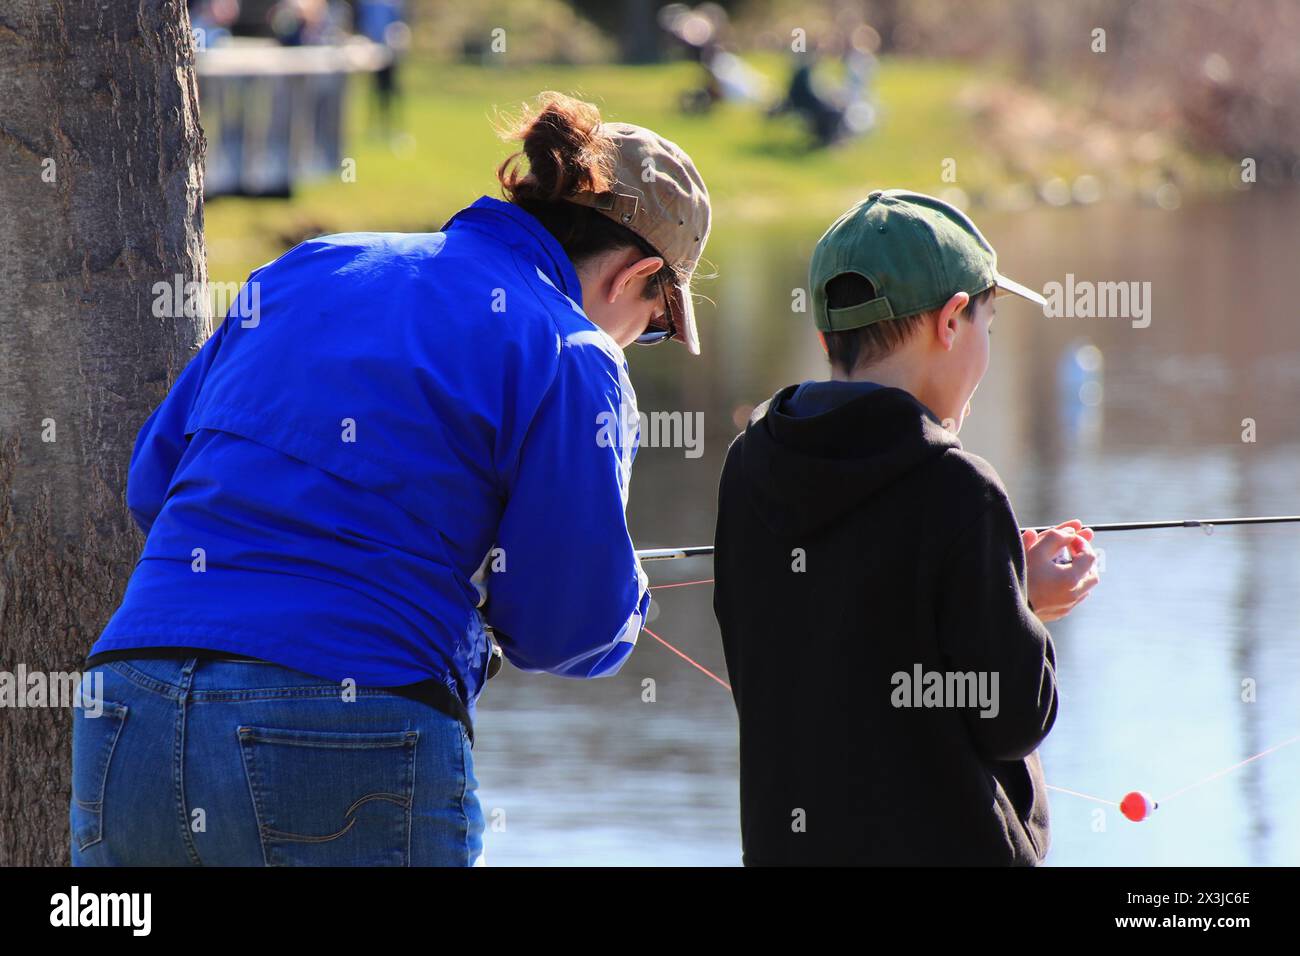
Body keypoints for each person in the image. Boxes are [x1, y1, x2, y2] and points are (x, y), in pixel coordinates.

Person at [70, 92, 711, 866]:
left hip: (129, 698)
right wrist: (625, 597)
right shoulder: (573, 348)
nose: (641, 339)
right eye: (657, 325)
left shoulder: (313, 266)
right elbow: (562, 627)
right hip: (346, 712)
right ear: (639, 275)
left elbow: (154, 483)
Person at [711, 189, 1099, 866]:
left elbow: (821, 651)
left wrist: (1001, 588)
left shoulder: (749, 465)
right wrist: (1025, 609)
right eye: (989, 325)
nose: (987, 349)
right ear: (952, 321)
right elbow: (1011, 718)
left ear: (828, 333)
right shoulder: (959, 486)